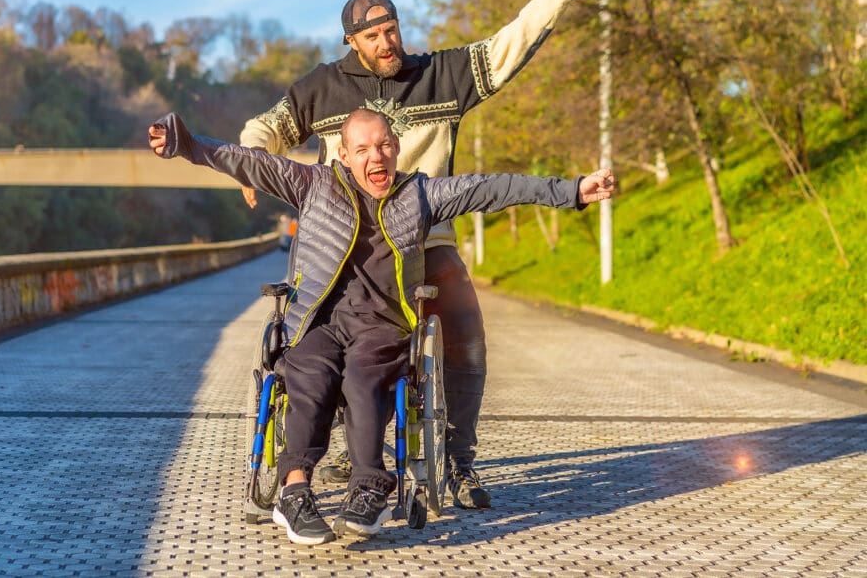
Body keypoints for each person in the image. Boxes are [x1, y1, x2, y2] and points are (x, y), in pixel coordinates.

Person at [148, 108, 615, 545]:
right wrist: (184, 142)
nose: (377, 157)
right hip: (319, 320)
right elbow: (244, 160)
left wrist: (571, 191)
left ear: (396, 147)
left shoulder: (420, 195)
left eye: (385, 146)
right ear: (344, 156)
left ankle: (368, 488)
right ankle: (294, 493)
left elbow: (492, 187)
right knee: (309, 375)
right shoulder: (311, 185)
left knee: (364, 377)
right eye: (365, 149)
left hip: (382, 324)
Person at [235, 0, 589, 509]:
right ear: (353, 40)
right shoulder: (322, 88)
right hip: (349, 250)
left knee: (466, 334)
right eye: (373, 34)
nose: (387, 40)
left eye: (392, 29)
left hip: (429, 240)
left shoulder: (439, 75)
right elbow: (267, 127)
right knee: (332, 340)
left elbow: (508, 46)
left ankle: (459, 461)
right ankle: (340, 453)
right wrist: (255, 160)